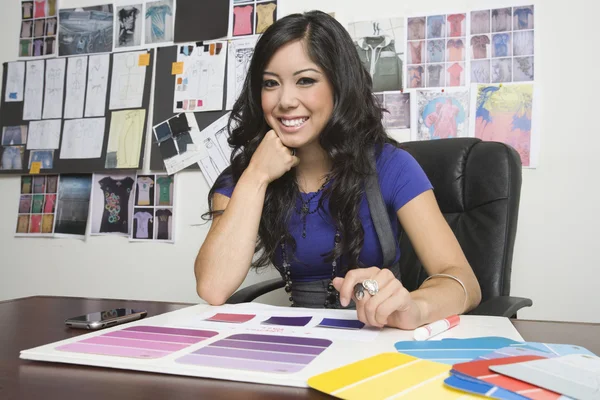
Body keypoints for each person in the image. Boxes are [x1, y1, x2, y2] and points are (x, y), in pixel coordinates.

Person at [195, 10, 481, 330]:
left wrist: (414, 306)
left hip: (379, 338)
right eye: (270, 83)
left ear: (338, 86)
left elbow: (462, 281)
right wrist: (257, 175)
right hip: (296, 341)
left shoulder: (391, 166)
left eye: (306, 80)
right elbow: (213, 288)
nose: (285, 100)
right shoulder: (242, 179)